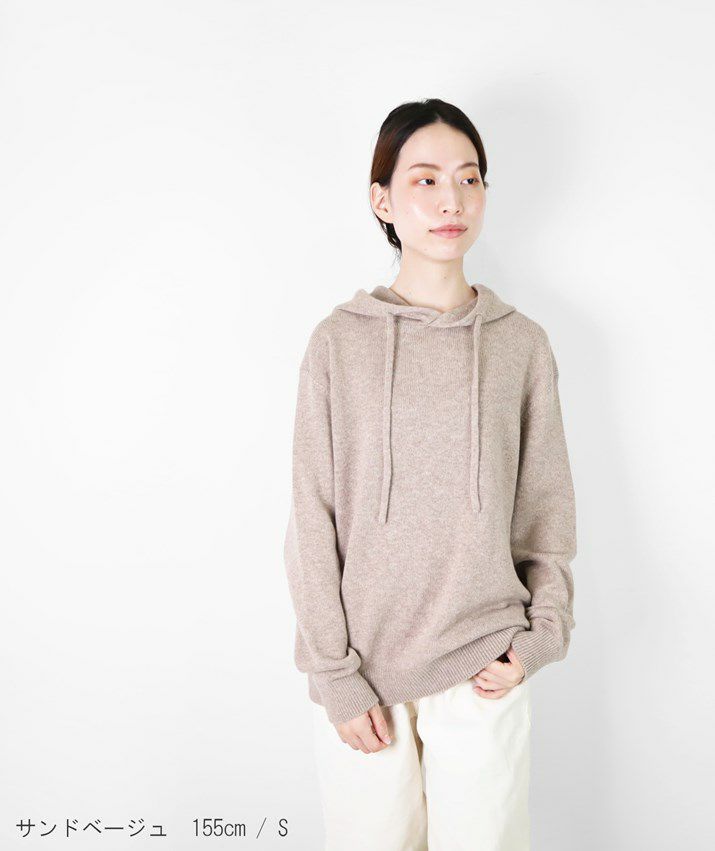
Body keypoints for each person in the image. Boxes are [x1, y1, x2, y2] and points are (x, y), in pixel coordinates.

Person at [283, 98, 577, 851]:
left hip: (483, 668)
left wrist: (539, 639)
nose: (452, 200)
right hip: (365, 681)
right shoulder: (337, 343)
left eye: (468, 179)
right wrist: (334, 675)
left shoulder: (521, 345)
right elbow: (311, 517)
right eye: (425, 179)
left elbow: (544, 514)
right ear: (382, 199)